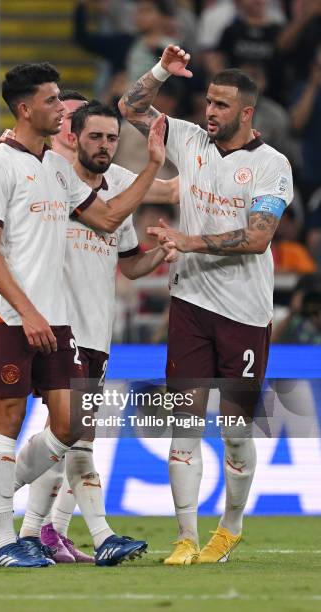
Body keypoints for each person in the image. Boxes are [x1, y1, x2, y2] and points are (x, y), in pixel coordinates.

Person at [0, 61, 166, 568]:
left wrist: (150, 165)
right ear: (26, 108)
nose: (62, 108)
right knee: (7, 418)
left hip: (54, 321)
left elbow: (106, 217)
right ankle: (8, 542)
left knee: (72, 421)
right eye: (53, 100)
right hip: (6, 318)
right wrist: (28, 311)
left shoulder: (56, 167)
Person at [119, 45, 293, 565]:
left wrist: (191, 241)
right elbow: (130, 109)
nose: (209, 112)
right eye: (208, 102)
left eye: (221, 105)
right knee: (184, 423)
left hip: (243, 312)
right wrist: (158, 71)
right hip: (190, 303)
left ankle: (230, 527)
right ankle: (186, 537)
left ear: (246, 113)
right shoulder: (189, 139)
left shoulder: (271, 165)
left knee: (235, 432)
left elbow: (261, 237)